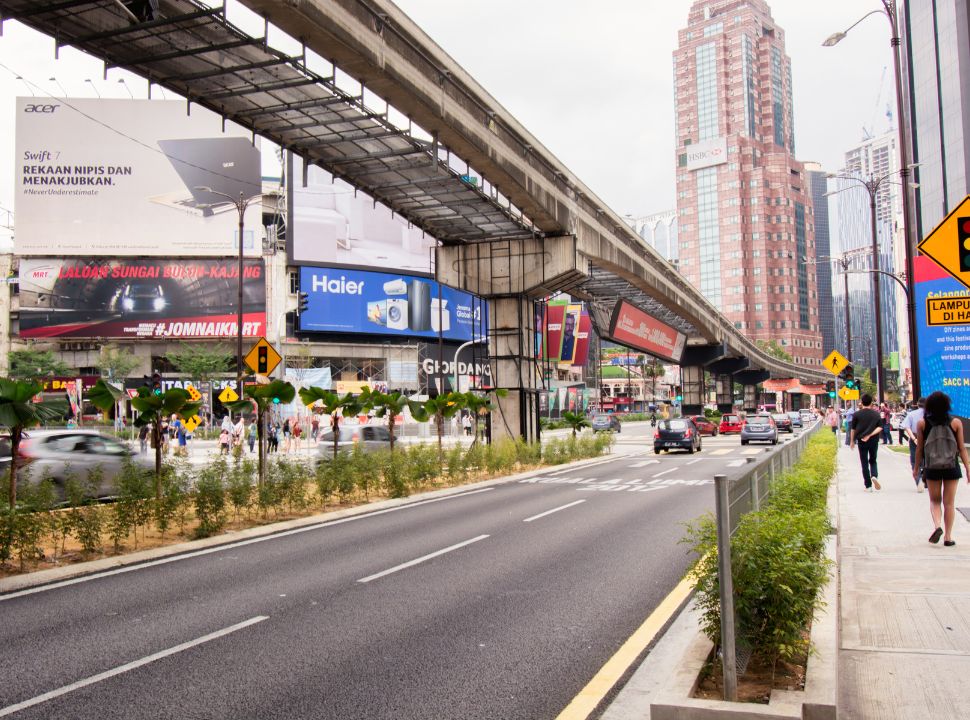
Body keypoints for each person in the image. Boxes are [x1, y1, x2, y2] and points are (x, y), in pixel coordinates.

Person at [913, 391, 970, 546]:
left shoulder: (922, 423)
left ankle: (938, 526)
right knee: (949, 503)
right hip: (951, 467)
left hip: (932, 467)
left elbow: (919, 449)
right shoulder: (956, 423)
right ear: (947, 405)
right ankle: (948, 537)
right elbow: (962, 448)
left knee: (935, 500)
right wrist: (968, 468)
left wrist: (916, 468)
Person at [849, 394, 884, 492]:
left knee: (864, 463)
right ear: (871, 402)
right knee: (873, 460)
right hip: (873, 440)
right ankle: (874, 475)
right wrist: (870, 435)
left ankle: (868, 486)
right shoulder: (876, 414)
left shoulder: (857, 414)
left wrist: (852, 441)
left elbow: (853, 429)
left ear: (861, 402)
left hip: (861, 441)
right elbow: (880, 427)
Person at [902, 398, 926, 491]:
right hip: (927, 439)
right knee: (927, 459)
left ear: (917, 404)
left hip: (915, 437)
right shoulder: (930, 414)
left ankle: (918, 480)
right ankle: (926, 480)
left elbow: (906, 427)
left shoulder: (911, 414)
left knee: (914, 460)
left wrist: (914, 438)